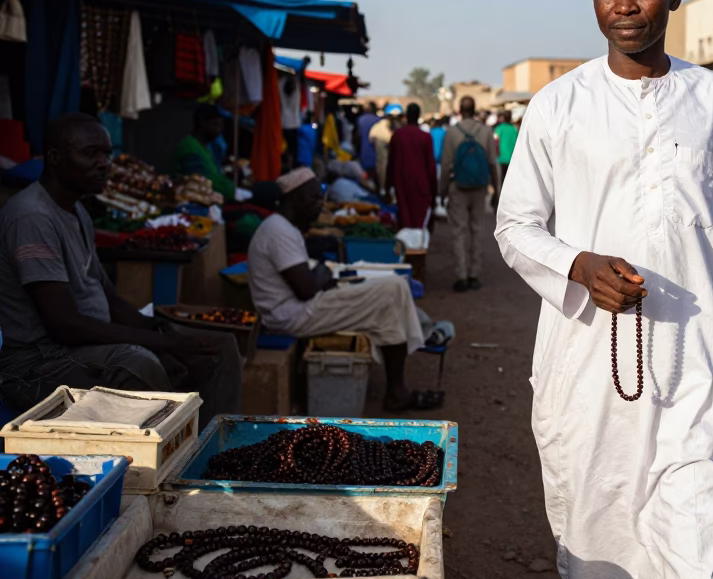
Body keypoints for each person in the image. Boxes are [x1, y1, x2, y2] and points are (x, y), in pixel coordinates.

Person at [495, 0, 713, 579]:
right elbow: (515, 226)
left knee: (706, 564)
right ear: (593, 0)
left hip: (700, 371)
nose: (625, 5)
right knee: (601, 562)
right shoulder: (557, 106)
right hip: (587, 380)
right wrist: (579, 266)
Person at [0, 114, 241, 423]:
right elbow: (65, 325)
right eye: (90, 153)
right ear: (55, 157)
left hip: (82, 348)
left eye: (107, 153)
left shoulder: (77, 211)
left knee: (216, 347)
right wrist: (161, 342)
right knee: (139, 363)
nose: (104, 163)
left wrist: (158, 331)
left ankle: (210, 444)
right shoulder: (32, 217)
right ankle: (169, 452)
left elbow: (109, 298)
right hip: (37, 364)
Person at [246, 168, 440, 411]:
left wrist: (320, 275)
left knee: (392, 296)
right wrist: (323, 272)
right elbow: (305, 288)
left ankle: (397, 389)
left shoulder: (284, 228)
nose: (320, 205)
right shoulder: (278, 231)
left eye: (321, 198)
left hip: (296, 308)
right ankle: (398, 387)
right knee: (392, 289)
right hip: (291, 315)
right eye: (314, 198)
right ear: (294, 198)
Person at [439, 96, 498, 292]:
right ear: (475, 110)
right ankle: (474, 273)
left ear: (459, 110)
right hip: (480, 187)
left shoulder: (452, 133)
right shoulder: (485, 131)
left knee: (459, 231)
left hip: (458, 188)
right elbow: (492, 163)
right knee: (477, 229)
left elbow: (446, 165)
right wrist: (497, 189)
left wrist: (443, 190)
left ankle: (461, 275)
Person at [171, 103, 237, 200]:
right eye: (215, 124)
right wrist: (233, 192)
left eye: (221, 126)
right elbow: (201, 184)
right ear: (202, 123)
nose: (219, 130)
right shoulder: (190, 148)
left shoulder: (204, 147)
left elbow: (215, 178)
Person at [387, 103, 437, 230]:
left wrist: (387, 186)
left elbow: (391, 163)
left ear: (406, 116)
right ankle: (417, 247)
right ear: (419, 116)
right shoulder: (425, 137)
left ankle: (407, 246)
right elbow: (431, 166)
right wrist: (434, 191)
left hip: (401, 183)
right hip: (421, 184)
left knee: (405, 218)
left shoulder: (397, 135)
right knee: (419, 219)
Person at [354, 102, 381, 178]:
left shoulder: (361, 120)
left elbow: (357, 137)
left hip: (364, 157)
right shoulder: (379, 121)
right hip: (376, 158)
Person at [494, 110, 519, 188]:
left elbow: (495, 141)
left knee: (501, 180)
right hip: (512, 158)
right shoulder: (514, 129)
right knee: (510, 180)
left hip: (501, 158)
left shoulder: (498, 129)